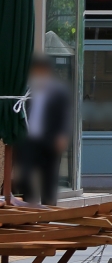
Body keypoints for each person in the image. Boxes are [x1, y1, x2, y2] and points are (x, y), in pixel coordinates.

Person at [15, 57, 71, 206]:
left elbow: (65, 115)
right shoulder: (26, 90)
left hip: (50, 141)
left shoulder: (58, 91)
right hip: (28, 141)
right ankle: (30, 208)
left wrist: (62, 135)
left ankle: (48, 215)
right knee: (25, 176)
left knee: (49, 180)